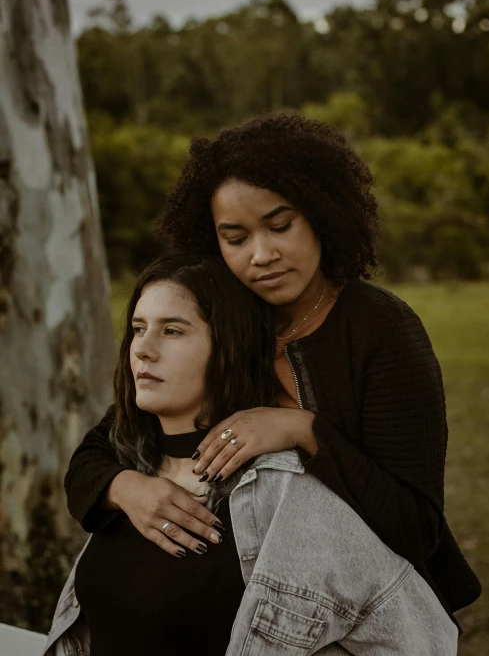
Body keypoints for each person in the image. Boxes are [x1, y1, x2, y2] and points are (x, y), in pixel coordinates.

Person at [64, 113, 480, 627]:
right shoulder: (226, 319)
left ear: (323, 214)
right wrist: (127, 488)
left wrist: (301, 429)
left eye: (280, 226)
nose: (262, 255)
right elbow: (101, 449)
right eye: (235, 238)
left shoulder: (382, 329)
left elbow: (416, 528)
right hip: (258, 611)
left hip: (369, 616)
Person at [45, 252, 458, 656]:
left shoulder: (287, 496)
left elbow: (417, 633)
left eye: (173, 331)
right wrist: (122, 487)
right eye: (138, 328)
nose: (143, 350)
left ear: (228, 349)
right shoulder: (126, 462)